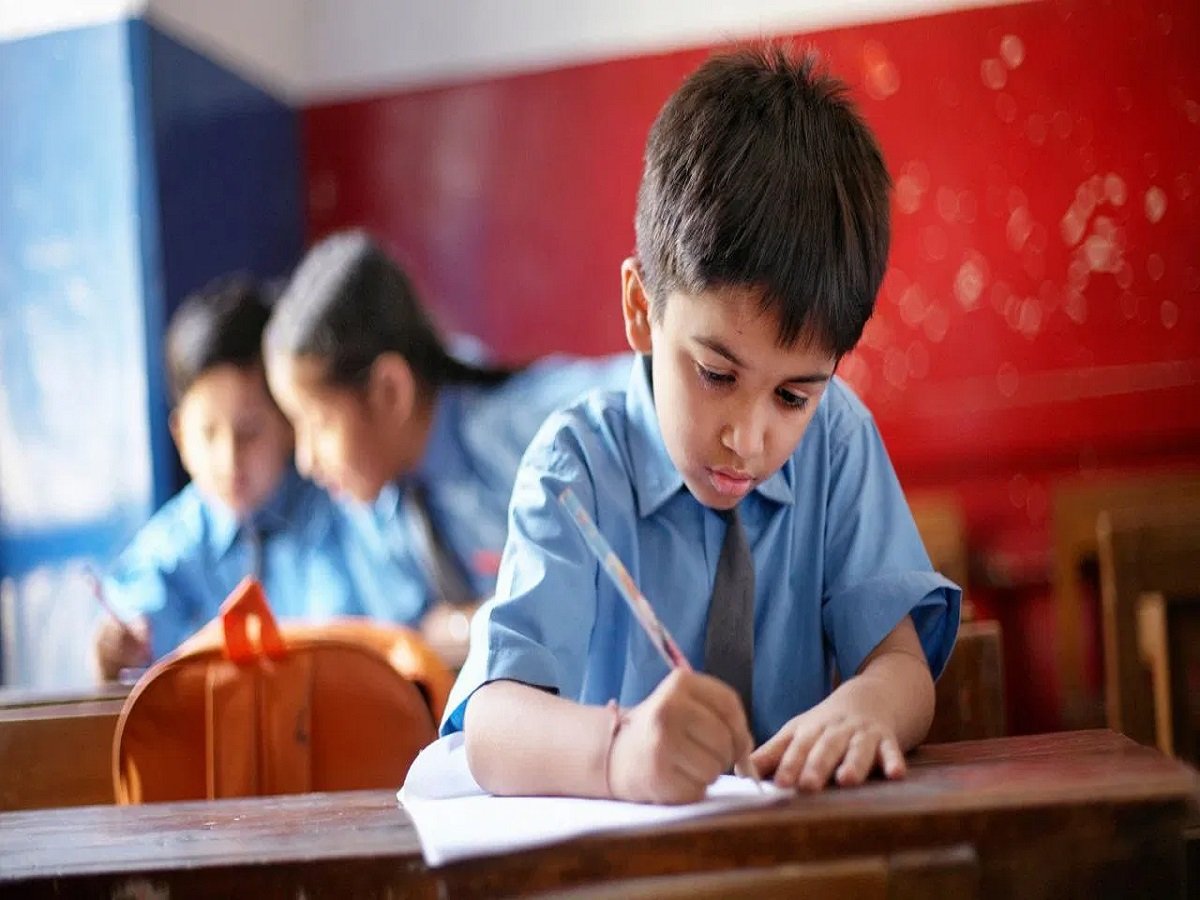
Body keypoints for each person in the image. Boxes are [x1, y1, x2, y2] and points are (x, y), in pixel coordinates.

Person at [445, 46, 962, 804]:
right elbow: (490, 726)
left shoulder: (838, 441)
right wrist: (620, 755)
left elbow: (903, 667)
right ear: (640, 308)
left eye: (793, 397)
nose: (748, 440)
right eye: (717, 375)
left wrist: (871, 704)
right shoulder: (574, 466)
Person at [263, 231, 631, 663]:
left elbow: (651, 389)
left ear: (390, 391)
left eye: (319, 423)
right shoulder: (372, 509)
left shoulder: (528, 431)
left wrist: (473, 623)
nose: (306, 460)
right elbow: (410, 640)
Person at [93, 277, 386, 680]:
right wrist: (114, 650)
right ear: (180, 438)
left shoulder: (342, 509)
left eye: (249, 432)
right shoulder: (171, 548)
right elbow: (130, 624)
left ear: (289, 422)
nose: (229, 459)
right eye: (208, 433)